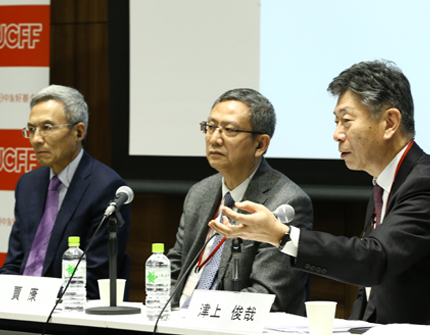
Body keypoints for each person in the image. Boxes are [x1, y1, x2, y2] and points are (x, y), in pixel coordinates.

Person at [210, 60, 430, 325]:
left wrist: (281, 235)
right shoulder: (385, 184)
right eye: (336, 122)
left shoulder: (423, 182)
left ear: (390, 122)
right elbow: (371, 290)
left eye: (346, 121)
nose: (337, 134)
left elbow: (374, 259)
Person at [167, 88, 313, 315]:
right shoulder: (200, 193)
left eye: (229, 130)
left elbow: (267, 295)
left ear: (260, 145)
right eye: (210, 127)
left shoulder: (286, 203)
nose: (214, 138)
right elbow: (175, 267)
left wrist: (196, 315)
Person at [0, 85, 131, 300]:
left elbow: (94, 279)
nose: (36, 139)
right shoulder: (28, 184)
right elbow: (15, 262)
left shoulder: (106, 188)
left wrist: (36, 298)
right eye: (31, 129)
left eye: (47, 127)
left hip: (67, 311)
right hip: (20, 308)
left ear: (78, 132)